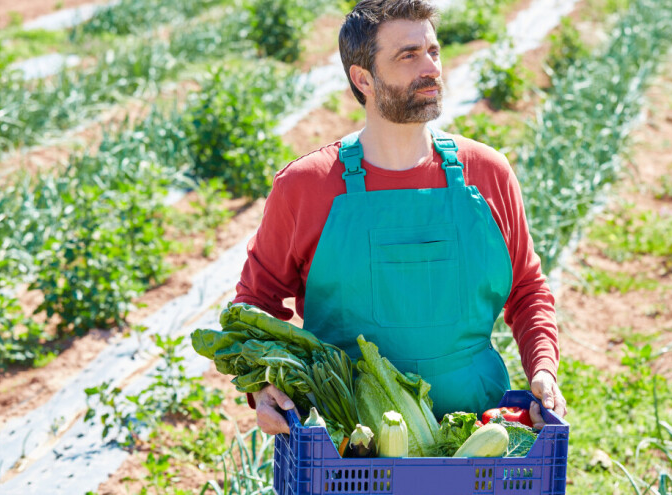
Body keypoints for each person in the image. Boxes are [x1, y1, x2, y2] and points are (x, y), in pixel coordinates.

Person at [234, 0, 567, 435]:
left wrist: (543, 367)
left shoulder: (487, 172)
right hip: (349, 446)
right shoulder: (306, 186)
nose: (430, 67)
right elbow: (254, 304)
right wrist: (262, 385)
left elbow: (526, 289)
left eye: (433, 50)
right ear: (363, 79)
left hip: (478, 436)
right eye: (408, 55)